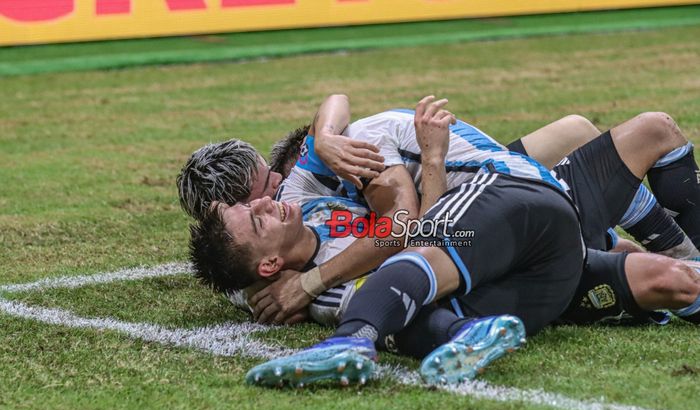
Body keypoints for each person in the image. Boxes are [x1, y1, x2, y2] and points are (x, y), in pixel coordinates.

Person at [241, 98, 700, 387]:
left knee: (592, 135)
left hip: (510, 197)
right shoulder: (334, 205)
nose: (274, 199)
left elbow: (408, 228)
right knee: (671, 279)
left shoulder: (356, 148)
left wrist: (308, 283)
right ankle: (462, 334)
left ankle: (351, 341)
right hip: (533, 245)